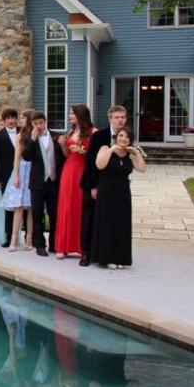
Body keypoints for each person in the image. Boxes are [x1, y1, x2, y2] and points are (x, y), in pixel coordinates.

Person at [91, 128, 146, 269]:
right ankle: (106, 257)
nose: (123, 139)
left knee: (122, 224)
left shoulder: (130, 154)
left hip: (123, 192)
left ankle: (120, 257)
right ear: (116, 137)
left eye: (127, 137)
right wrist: (111, 150)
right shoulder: (105, 148)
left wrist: (137, 153)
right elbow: (99, 165)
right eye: (121, 136)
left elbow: (142, 168)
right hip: (107, 191)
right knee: (108, 223)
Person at [81, 105, 128, 267]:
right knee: (90, 218)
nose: (120, 120)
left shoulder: (127, 138)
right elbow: (90, 162)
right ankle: (86, 253)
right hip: (95, 183)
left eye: (122, 117)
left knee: (113, 220)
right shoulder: (99, 136)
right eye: (117, 117)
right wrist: (93, 186)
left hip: (116, 187)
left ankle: (113, 254)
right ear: (110, 119)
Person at [22, 112, 65, 257]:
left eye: (41, 122)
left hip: (53, 182)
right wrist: (32, 140)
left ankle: (54, 244)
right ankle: (40, 245)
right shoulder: (29, 138)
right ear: (32, 125)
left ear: (45, 122)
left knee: (54, 215)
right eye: (36, 123)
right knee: (37, 215)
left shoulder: (56, 137)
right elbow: (26, 157)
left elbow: (63, 158)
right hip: (37, 183)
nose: (39, 126)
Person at [55, 104, 95, 260]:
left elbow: (95, 155)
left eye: (72, 113)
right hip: (69, 170)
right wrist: (63, 145)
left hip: (83, 170)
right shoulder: (71, 132)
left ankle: (81, 247)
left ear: (80, 115)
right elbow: (66, 154)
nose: (69, 116)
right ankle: (63, 246)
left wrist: (83, 152)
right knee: (66, 206)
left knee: (81, 207)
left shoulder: (93, 132)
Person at [1, 110, 34, 251]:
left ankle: (29, 239)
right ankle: (14, 239)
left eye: (22, 117)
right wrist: (16, 175)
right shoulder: (20, 135)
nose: (20, 120)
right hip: (22, 170)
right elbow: (17, 157)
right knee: (18, 206)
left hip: (34, 171)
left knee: (32, 207)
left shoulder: (37, 134)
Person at [0, 108, 20, 247]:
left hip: (23, 174)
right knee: (9, 208)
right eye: (8, 118)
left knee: (24, 206)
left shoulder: (23, 132)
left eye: (13, 117)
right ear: (4, 120)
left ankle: (26, 236)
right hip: (6, 176)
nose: (11, 120)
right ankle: (9, 237)